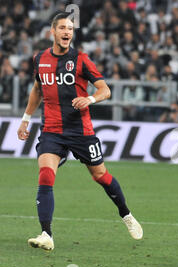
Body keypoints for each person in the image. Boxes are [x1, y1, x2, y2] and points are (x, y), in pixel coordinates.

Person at [16, 13, 143, 251]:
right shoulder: (40, 58)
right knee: (45, 173)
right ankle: (46, 233)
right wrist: (25, 119)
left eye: (71, 29)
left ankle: (125, 214)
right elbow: (37, 89)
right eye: (63, 28)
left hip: (80, 131)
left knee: (100, 176)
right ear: (52, 32)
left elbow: (106, 90)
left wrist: (90, 98)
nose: (67, 32)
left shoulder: (81, 59)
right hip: (51, 129)